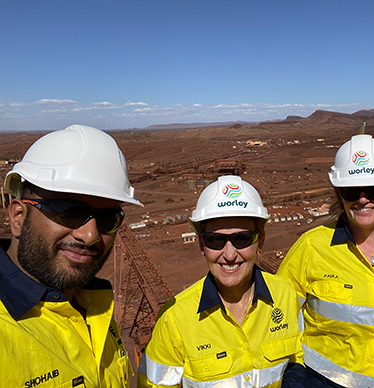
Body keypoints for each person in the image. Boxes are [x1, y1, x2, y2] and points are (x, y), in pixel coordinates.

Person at [0, 124, 143, 387]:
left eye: (107, 218)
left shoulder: (95, 306)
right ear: (18, 216)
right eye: (68, 211)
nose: (89, 235)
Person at [277, 133, 374, 387]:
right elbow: (278, 317)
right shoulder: (312, 248)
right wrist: (295, 378)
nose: (363, 199)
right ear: (339, 192)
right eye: (352, 190)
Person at [138, 175, 307, 387]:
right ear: (201, 246)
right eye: (215, 240)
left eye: (242, 238)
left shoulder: (285, 294)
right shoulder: (174, 321)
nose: (229, 255)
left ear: (260, 241)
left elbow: (296, 360)